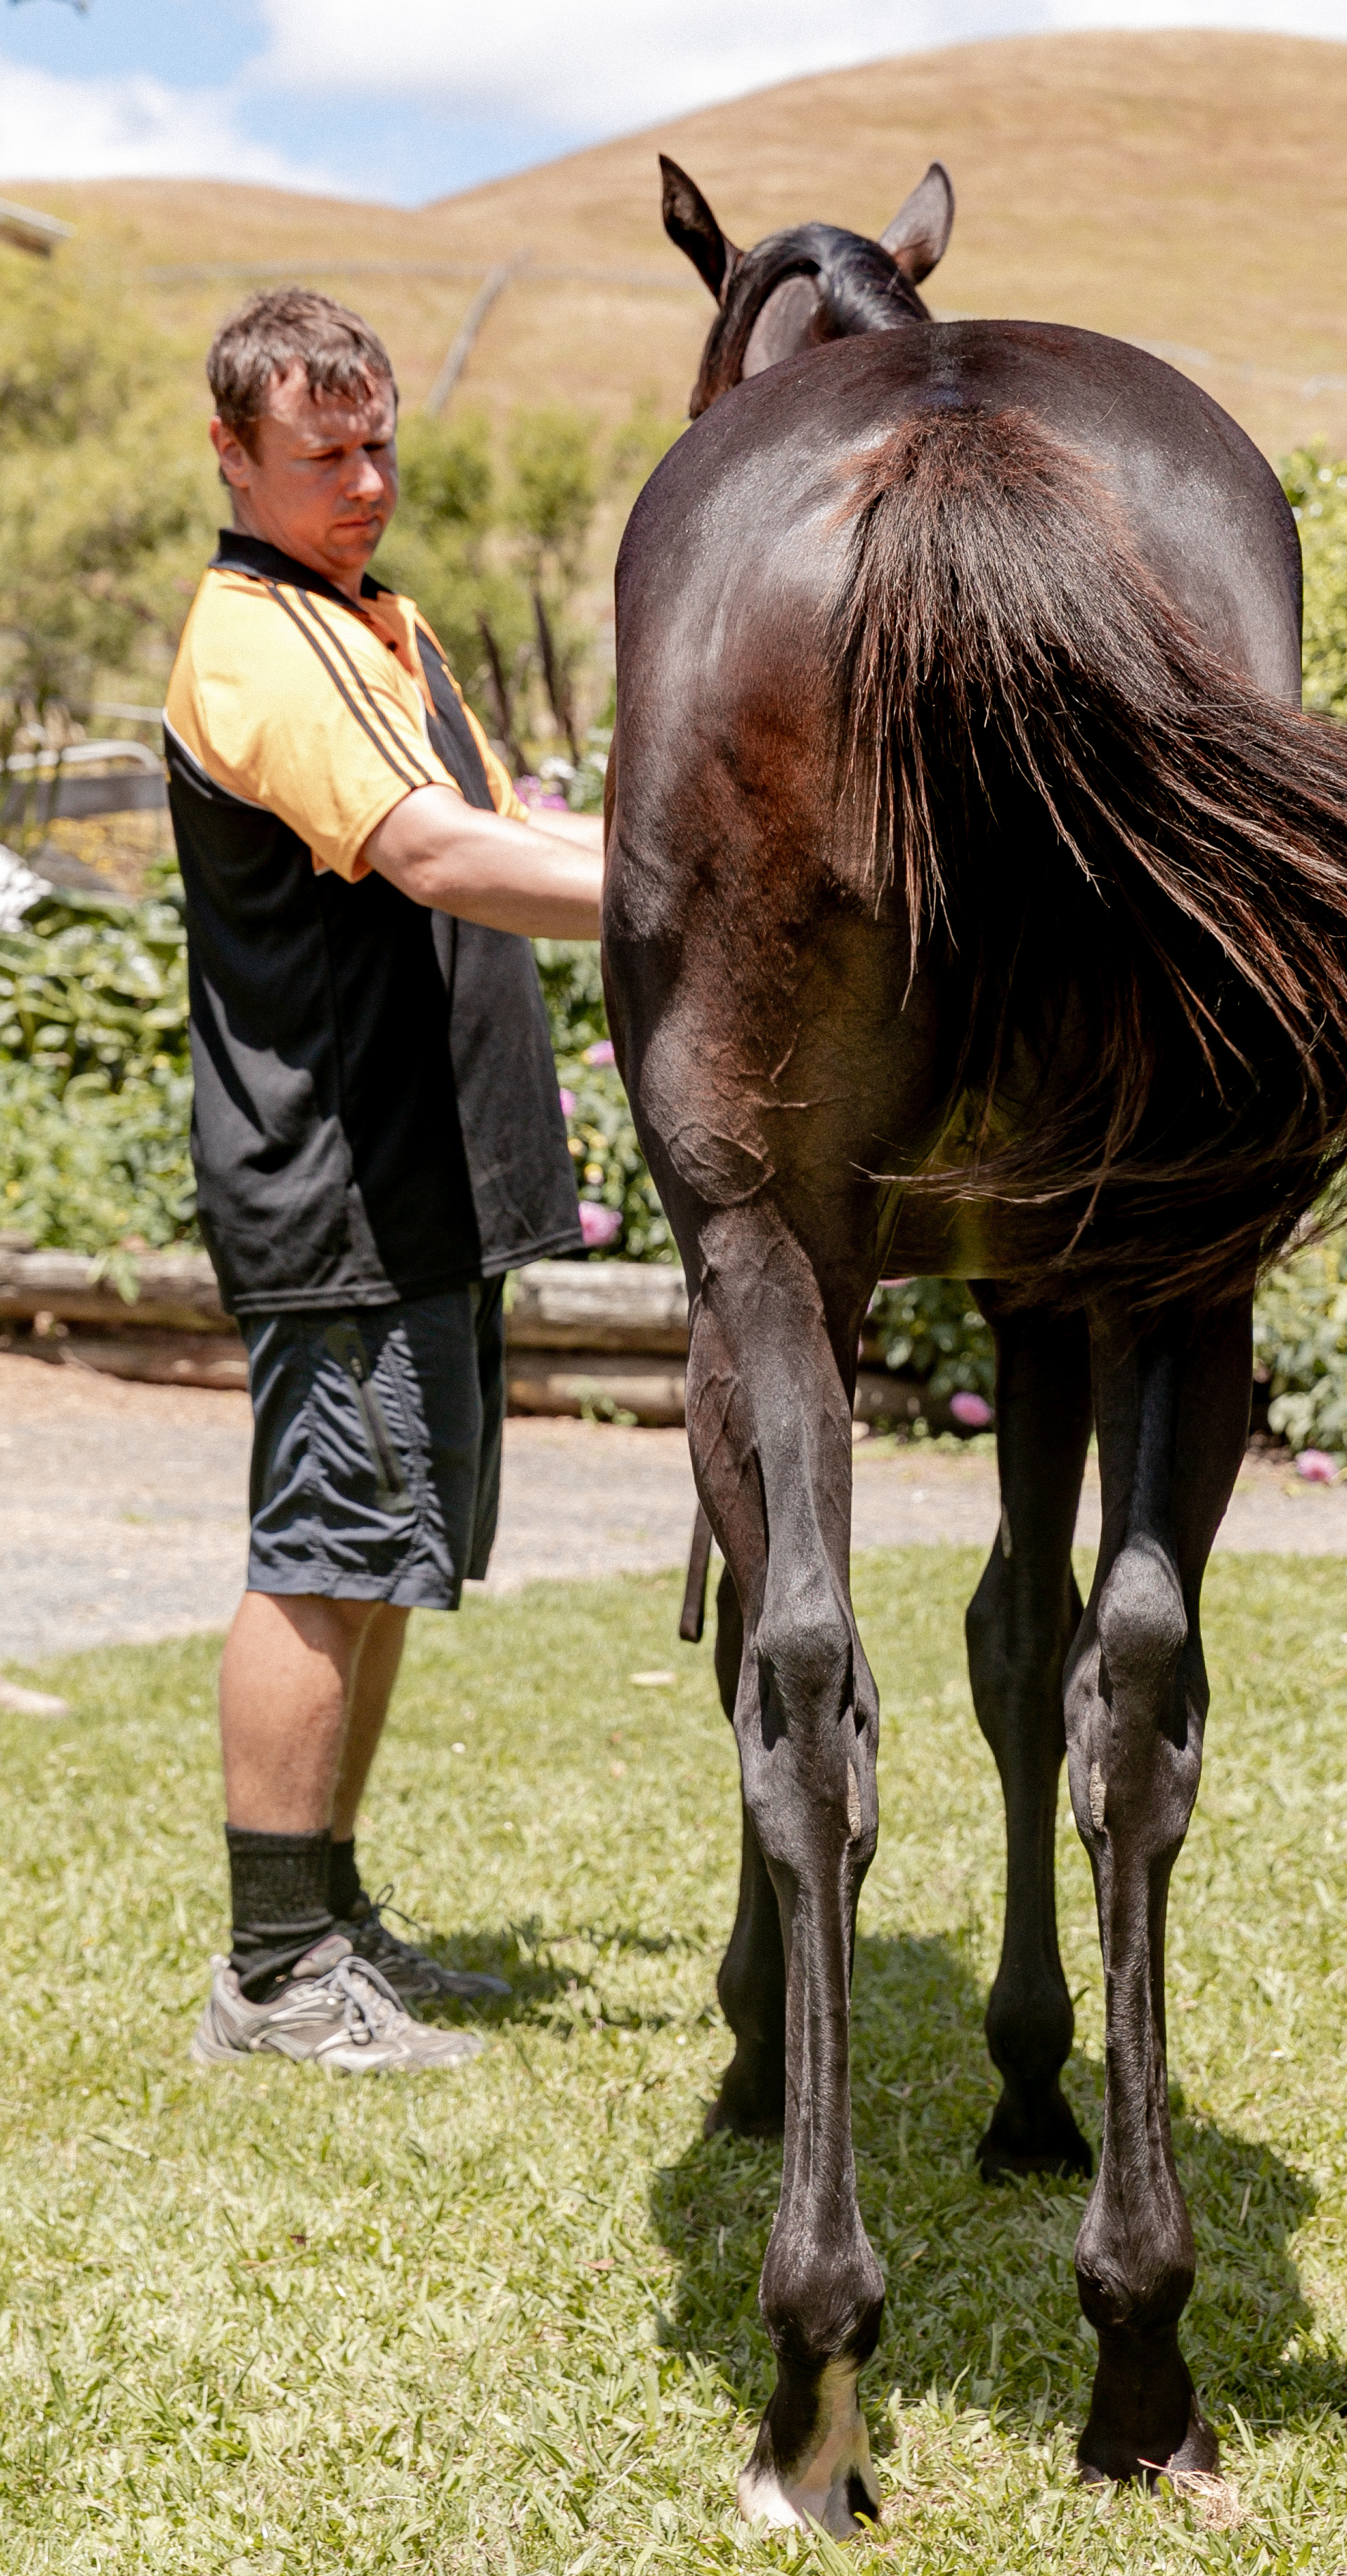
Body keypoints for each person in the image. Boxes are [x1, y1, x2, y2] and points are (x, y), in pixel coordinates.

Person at [166, 289, 606, 2072]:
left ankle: (330, 1919)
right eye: (320, 456)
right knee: (321, 1556)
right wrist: (700, 894)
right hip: (335, 1178)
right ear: (231, 456)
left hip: (424, 1178)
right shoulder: (256, 642)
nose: (364, 483)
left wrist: (728, 844)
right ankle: (274, 1976)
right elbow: (431, 854)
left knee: (383, 1560)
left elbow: (510, 827)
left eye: (378, 447)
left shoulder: (383, 623)